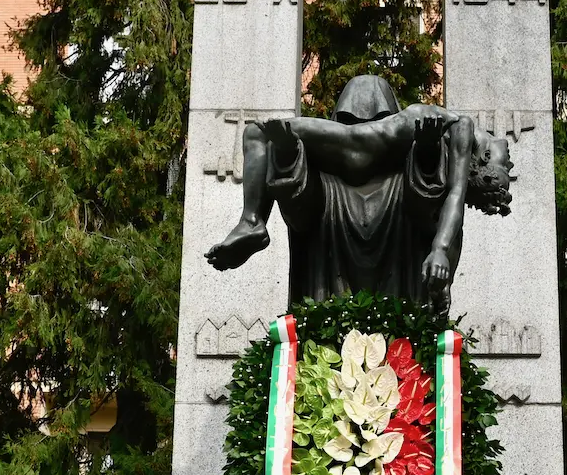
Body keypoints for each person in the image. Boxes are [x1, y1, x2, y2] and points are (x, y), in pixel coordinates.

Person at [205, 74, 513, 308]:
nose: (503, 156)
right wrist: (440, 253)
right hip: (360, 145)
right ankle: (252, 222)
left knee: (257, 133)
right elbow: (456, 200)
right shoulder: (464, 130)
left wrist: (440, 256)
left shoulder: (459, 132)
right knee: (263, 133)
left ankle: (253, 220)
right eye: (501, 165)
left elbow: (455, 201)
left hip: (357, 148)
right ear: (484, 159)